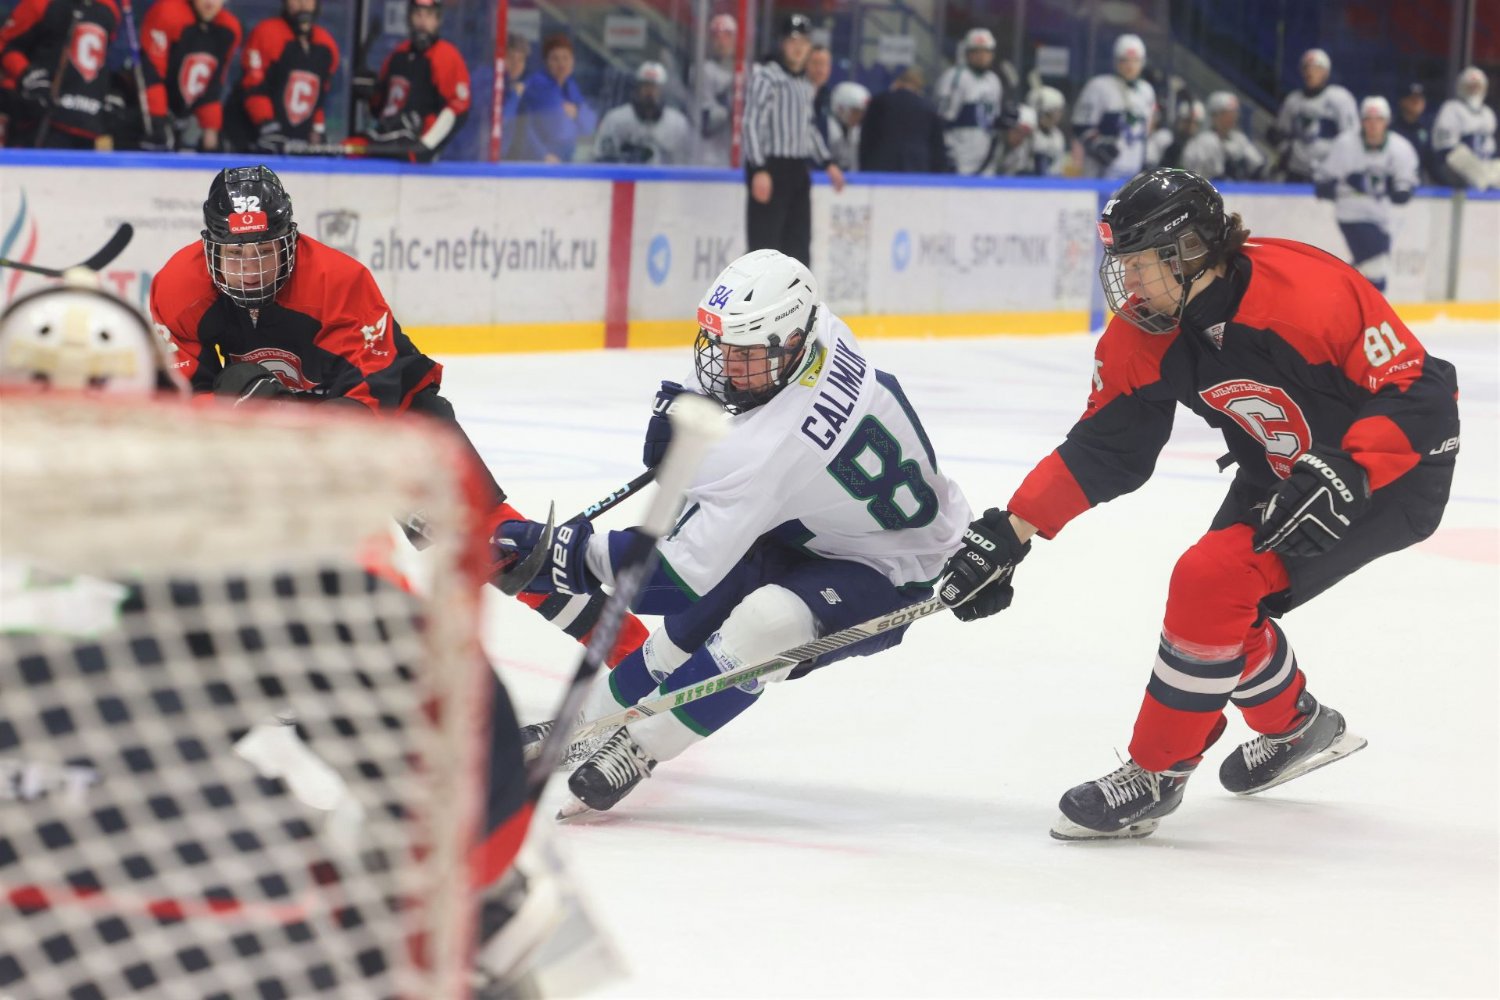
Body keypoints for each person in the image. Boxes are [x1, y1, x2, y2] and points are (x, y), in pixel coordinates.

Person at [937, 167, 1459, 841]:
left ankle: (1156, 772)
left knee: (1210, 580)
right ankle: (1296, 728)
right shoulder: (1146, 330)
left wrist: (1350, 468)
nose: (1128, 282)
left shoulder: (1309, 291)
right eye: (1121, 264)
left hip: (1391, 472)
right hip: (1281, 467)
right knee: (1220, 610)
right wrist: (1013, 530)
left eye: (1140, 263)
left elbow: (1422, 391)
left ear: (1190, 251)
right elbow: (1107, 447)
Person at [494, 249, 972, 815]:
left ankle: (641, 745)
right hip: (816, 526)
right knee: (699, 617)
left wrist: (568, 556)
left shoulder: (772, 448)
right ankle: (586, 723)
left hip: (892, 569)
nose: (725, 365)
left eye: (744, 354)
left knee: (767, 623)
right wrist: (685, 407)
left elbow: (672, 580)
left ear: (791, 341)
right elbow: (723, 388)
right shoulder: (818, 330)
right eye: (721, 346)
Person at [148, 165, 649, 664]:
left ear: (290, 241)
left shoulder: (338, 281)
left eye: (264, 250)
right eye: (235, 254)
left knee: (494, 548)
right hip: (287, 426)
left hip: (395, 416)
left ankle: (632, 654)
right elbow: (182, 399)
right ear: (209, 247)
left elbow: (374, 396)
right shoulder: (178, 287)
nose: (251, 268)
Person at [742, 13, 844, 266]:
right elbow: (751, 123)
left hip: (798, 171)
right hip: (772, 167)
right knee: (765, 247)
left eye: (804, 42)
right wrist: (759, 168)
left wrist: (828, 162)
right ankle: (762, 292)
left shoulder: (805, 84)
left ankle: (796, 292)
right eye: (793, 41)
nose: (798, 48)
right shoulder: (767, 77)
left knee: (798, 246)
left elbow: (807, 127)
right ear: (782, 43)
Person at [1314, 96, 1420, 292]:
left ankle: (1334, 291)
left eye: (1378, 119)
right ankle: (1375, 308)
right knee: (1377, 268)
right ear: (1361, 121)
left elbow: (1405, 185)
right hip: (1351, 213)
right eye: (1368, 119)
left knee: (1367, 268)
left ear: (1387, 121)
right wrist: (1335, 187)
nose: (1373, 124)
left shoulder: (1400, 148)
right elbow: (1324, 180)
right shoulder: (1345, 144)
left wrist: (1399, 188)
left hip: (1382, 217)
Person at [0, 0, 121, 148]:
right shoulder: (40, 3)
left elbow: (101, 58)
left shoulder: (109, 9)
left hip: (88, 125)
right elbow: (6, 44)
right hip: (41, 118)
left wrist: (106, 92)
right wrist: (28, 76)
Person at [362, 0, 471, 162]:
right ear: (409, 18)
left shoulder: (447, 56)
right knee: (348, 149)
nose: (422, 22)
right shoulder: (397, 55)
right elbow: (382, 109)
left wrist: (426, 146)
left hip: (416, 153)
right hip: (386, 143)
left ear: (438, 20)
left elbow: (458, 108)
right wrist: (370, 94)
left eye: (429, 15)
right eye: (418, 14)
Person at [227, 0, 339, 153]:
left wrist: (317, 130)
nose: (302, 4)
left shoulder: (326, 43)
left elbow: (319, 97)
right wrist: (267, 125)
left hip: (296, 144)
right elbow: (253, 86)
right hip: (252, 141)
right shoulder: (267, 32)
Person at [138, 0, 240, 151]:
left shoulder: (228, 29)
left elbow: (213, 84)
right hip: (145, 112)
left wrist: (211, 128)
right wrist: (157, 120)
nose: (211, 2)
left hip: (182, 117)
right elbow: (151, 73)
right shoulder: (168, 13)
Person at [1072, 33, 1156, 180]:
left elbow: (1145, 131)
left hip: (1133, 172)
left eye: (1135, 60)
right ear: (1116, 61)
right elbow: (1080, 126)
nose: (1130, 66)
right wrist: (1098, 146)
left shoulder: (1146, 91)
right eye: (1125, 60)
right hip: (1102, 175)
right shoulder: (1099, 86)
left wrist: (1145, 160)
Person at [1271, 48, 1357, 183]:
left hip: (1329, 171)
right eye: (1306, 68)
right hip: (1296, 171)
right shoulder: (1293, 100)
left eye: (1316, 68)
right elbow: (1281, 133)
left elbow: (1352, 136)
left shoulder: (1340, 98)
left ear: (1326, 72)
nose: (1310, 72)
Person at [513, 33, 595, 163]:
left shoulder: (570, 85)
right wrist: (542, 154)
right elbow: (557, 128)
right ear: (546, 62)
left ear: (573, 61)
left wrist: (577, 114)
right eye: (555, 59)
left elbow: (589, 126)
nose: (561, 64)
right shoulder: (539, 84)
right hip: (542, 160)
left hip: (564, 158)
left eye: (566, 58)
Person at [593, 60, 691, 164]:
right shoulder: (615, 120)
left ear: (663, 90)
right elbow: (602, 159)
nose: (650, 92)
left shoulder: (678, 124)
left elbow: (687, 162)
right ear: (637, 88)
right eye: (646, 86)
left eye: (654, 86)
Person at [934, 26, 1002, 175]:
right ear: (967, 53)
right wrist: (947, 154)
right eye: (976, 51)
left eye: (986, 51)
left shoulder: (994, 80)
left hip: (986, 155)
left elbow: (992, 119)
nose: (982, 56)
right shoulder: (955, 77)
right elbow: (943, 120)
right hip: (961, 156)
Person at [857, 66, 950, 173]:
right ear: (918, 87)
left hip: (881, 166)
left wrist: (864, 167)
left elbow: (866, 137)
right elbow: (937, 147)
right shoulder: (928, 107)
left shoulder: (879, 101)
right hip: (917, 167)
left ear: (897, 83)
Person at [1431, 66, 1497, 189]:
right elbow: (1446, 150)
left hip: (1484, 163)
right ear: (1461, 87)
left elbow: (1491, 149)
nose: (1474, 90)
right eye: (1470, 86)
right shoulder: (1451, 108)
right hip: (1457, 168)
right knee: (1459, 157)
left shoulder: (1488, 113)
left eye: (1477, 86)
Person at [1182, 91, 1266, 181]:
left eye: (1235, 113)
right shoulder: (1203, 141)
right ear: (1216, 115)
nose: (1234, 117)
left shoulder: (1239, 138)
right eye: (1229, 113)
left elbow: (1257, 165)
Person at [690, 11, 736, 166]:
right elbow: (706, 123)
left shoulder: (752, 71)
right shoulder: (703, 71)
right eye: (716, 37)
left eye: (727, 36)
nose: (722, 42)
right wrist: (729, 100)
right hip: (710, 155)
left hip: (742, 154)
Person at [1390, 82, 1437, 183]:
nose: (1417, 102)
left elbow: (1431, 164)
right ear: (1402, 101)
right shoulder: (1392, 130)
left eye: (1420, 98)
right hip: (1394, 179)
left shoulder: (1427, 128)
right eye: (1412, 98)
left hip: (1419, 180)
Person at [1146, 95, 1202, 170]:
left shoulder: (1197, 147)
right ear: (1179, 120)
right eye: (1187, 121)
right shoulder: (1165, 138)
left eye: (1195, 123)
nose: (1190, 126)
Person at [1026, 85, 1068, 176]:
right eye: (1056, 110)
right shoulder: (1027, 134)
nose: (1059, 115)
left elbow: (1057, 169)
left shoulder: (1058, 136)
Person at [826, 79, 868, 171]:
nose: (860, 116)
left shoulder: (857, 131)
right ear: (840, 108)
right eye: (855, 111)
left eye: (862, 112)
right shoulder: (827, 129)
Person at [987, 102, 1037, 175]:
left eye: (1025, 135)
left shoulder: (1021, 151)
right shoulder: (988, 144)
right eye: (1018, 131)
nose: (1020, 138)